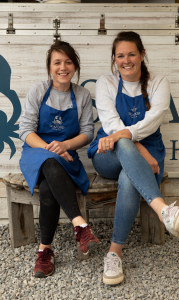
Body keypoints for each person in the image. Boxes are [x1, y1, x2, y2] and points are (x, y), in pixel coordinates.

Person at [87, 31, 179, 285]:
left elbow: (153, 119)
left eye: (131, 54)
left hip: (146, 151)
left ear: (142, 55)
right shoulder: (106, 82)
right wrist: (139, 148)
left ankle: (114, 253)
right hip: (107, 153)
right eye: (120, 55)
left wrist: (133, 142)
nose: (126, 60)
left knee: (129, 177)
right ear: (114, 59)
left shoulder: (158, 82)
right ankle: (164, 210)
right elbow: (112, 126)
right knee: (122, 142)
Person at [19, 41, 100, 278]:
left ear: (74, 67)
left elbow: (87, 132)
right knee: (50, 162)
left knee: (48, 186)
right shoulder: (38, 90)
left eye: (68, 62)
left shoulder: (82, 95)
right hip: (36, 152)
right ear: (49, 67)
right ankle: (80, 225)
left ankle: (45, 250)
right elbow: (25, 130)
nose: (62, 67)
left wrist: (64, 145)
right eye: (57, 62)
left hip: (66, 155)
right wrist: (49, 148)